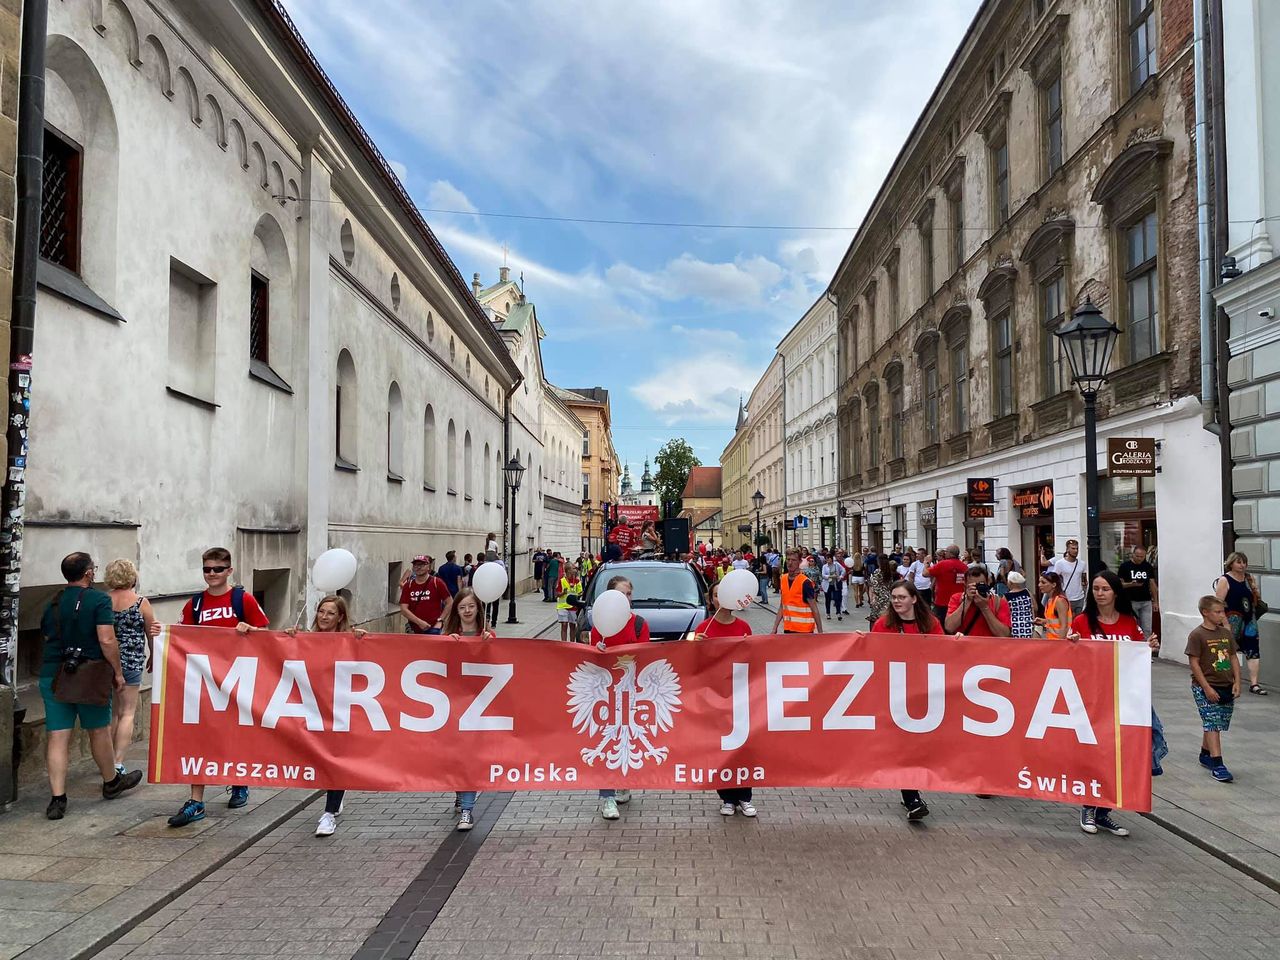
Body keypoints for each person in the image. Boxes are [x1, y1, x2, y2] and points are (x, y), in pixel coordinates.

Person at [169, 547, 271, 827]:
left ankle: (239, 781)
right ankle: (196, 801)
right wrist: (161, 633)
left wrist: (249, 630)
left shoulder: (242, 599)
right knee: (200, 737)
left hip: (237, 678)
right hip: (205, 679)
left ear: (229, 571)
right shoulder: (195, 604)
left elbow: (266, 634)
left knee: (235, 733)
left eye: (217, 569)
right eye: (207, 569)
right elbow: (181, 636)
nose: (212, 574)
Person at [40, 553, 144, 820]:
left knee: (57, 736)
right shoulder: (99, 600)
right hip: (90, 674)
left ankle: (58, 799)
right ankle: (111, 782)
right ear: (88, 573)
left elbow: (47, 635)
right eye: (93, 568)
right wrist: (118, 673)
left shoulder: (53, 601)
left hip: (54, 674)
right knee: (98, 731)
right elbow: (107, 640)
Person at [1069, 570, 1159, 837]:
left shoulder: (1129, 622)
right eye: (1096, 589)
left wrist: (1149, 646)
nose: (1100, 593)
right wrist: (1071, 644)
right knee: (1095, 754)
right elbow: (1069, 658)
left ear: (1116, 592)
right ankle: (1088, 806)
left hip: (1123, 700)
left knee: (1117, 755)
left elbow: (1139, 653)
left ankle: (1104, 812)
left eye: (1105, 589)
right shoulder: (1082, 621)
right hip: (1092, 700)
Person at [285, 595, 367, 837]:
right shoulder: (306, 639)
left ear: (340, 617)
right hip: (313, 709)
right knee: (320, 760)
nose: (324, 616)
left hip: (340, 710)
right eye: (321, 611)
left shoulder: (349, 640)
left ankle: (329, 814)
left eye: (331, 613)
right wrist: (288, 639)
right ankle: (336, 793)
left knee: (336, 760)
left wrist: (362, 641)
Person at [872, 580, 942, 820]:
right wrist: (860, 643)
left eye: (901, 597)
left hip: (924, 695)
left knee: (918, 747)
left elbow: (943, 652)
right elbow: (872, 654)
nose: (896, 601)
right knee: (905, 746)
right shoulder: (884, 625)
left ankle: (911, 794)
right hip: (895, 695)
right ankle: (912, 798)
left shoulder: (930, 624)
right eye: (894, 597)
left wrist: (957, 643)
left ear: (913, 599)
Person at [692, 581, 757, 816]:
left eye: (725, 594)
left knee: (743, 747)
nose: (721, 599)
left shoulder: (744, 627)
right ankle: (727, 798)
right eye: (717, 595)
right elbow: (695, 664)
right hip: (715, 696)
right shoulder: (703, 628)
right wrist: (696, 646)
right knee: (722, 747)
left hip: (739, 694)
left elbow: (753, 659)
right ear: (712, 600)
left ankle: (745, 797)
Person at [589, 576, 647, 819]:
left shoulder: (639, 624)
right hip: (605, 694)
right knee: (607, 740)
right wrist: (597, 650)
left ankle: (624, 782)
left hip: (631, 692)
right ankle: (607, 797)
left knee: (627, 738)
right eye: (621, 594)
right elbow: (592, 660)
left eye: (629, 594)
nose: (626, 598)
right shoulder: (600, 625)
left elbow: (645, 658)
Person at [442, 587, 496, 829]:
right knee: (456, 757)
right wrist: (446, 645)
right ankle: (460, 792)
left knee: (469, 757)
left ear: (478, 609)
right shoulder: (448, 636)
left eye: (471, 606)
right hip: (453, 705)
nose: (467, 611)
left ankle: (467, 809)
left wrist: (490, 644)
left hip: (479, 707)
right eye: (462, 607)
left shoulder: (488, 635)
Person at [103, 559, 159, 776]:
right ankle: (118, 762)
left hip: (107, 661)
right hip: (132, 661)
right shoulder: (141, 602)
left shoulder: (103, 601)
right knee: (127, 713)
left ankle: (106, 760)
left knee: (112, 713)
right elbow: (151, 632)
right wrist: (153, 654)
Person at [1186, 595, 1240, 784]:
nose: (1222, 615)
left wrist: (1237, 681)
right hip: (1204, 686)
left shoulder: (1225, 634)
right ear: (1205, 613)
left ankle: (1205, 753)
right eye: (1217, 612)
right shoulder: (1197, 635)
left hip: (1225, 684)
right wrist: (1206, 687)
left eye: (1222, 611)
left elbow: (1233, 657)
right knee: (1212, 722)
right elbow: (1194, 663)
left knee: (1217, 721)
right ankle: (1218, 764)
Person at [1214, 551, 1266, 695]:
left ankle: (1254, 684)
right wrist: (1224, 622)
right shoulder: (1225, 580)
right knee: (1228, 650)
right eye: (1239, 562)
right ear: (1231, 564)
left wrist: (1255, 589)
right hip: (1231, 620)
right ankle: (1227, 681)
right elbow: (1218, 603)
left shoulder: (1248, 578)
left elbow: (1255, 598)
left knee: (1253, 649)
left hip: (1249, 620)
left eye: (1244, 562)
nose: (1242, 565)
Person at [944, 566, 1012, 637]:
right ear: (965, 585)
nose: (977, 589)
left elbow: (1004, 634)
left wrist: (985, 607)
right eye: (973, 586)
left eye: (980, 585)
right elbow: (949, 628)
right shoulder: (957, 599)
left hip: (989, 644)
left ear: (988, 583)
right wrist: (967, 601)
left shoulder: (998, 602)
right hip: (966, 643)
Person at [772, 549, 824, 634]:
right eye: (788, 559)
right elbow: (782, 606)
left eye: (794, 560)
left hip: (804, 631)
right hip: (788, 629)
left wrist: (820, 632)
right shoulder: (783, 579)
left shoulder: (805, 582)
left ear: (799, 562)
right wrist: (775, 628)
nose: (790, 563)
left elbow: (814, 608)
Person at [1119, 545, 1159, 647]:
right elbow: (1119, 584)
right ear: (1133, 554)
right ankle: (1132, 647)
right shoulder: (1125, 566)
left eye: (1142, 557)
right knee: (1132, 626)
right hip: (1130, 601)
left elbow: (1152, 584)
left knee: (1147, 628)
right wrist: (1131, 584)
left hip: (1146, 600)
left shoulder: (1147, 566)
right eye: (1137, 556)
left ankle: (1146, 649)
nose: (1139, 559)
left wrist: (1155, 601)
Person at [399, 555, 451, 635]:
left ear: (428, 567)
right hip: (414, 629)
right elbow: (403, 609)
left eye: (422, 564)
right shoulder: (408, 586)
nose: (418, 567)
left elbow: (450, 602)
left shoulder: (437, 582)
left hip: (433, 628)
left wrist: (440, 620)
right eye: (416, 565)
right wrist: (419, 622)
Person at [927, 545, 968, 626]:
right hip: (958, 601)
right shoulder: (964, 567)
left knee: (938, 624)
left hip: (942, 601)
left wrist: (926, 563)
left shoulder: (942, 564)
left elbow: (925, 573)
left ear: (950, 553)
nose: (945, 553)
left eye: (946, 551)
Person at [1050, 539, 1088, 615]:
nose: (1075, 551)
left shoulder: (1082, 564)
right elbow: (1054, 579)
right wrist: (1059, 593)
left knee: (1078, 619)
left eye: (1077, 548)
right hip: (1066, 597)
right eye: (1073, 548)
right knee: (1067, 619)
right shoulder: (1060, 564)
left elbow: (1084, 579)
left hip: (1079, 597)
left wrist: (1085, 587)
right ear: (1067, 549)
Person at [1034, 571, 1073, 639]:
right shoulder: (1050, 600)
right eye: (1039, 582)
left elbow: (1064, 626)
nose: (1039, 585)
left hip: (1058, 641)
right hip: (1051, 639)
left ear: (1054, 585)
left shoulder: (1060, 601)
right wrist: (1044, 621)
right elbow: (1056, 620)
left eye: (1043, 582)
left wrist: (1060, 643)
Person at [557, 561, 583, 642]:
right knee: (564, 625)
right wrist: (563, 593)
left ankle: (572, 643)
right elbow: (557, 594)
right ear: (568, 570)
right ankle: (564, 643)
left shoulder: (577, 581)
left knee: (572, 626)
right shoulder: (562, 581)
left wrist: (578, 595)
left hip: (573, 607)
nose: (575, 570)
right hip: (563, 606)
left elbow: (580, 592)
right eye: (573, 568)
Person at [821, 553, 845, 622]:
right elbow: (823, 575)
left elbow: (843, 570)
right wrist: (830, 576)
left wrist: (840, 576)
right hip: (827, 584)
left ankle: (838, 613)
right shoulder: (824, 566)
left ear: (831, 558)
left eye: (829, 558)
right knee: (828, 599)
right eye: (826, 558)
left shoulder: (836, 564)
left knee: (837, 598)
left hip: (835, 584)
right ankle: (828, 613)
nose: (827, 560)